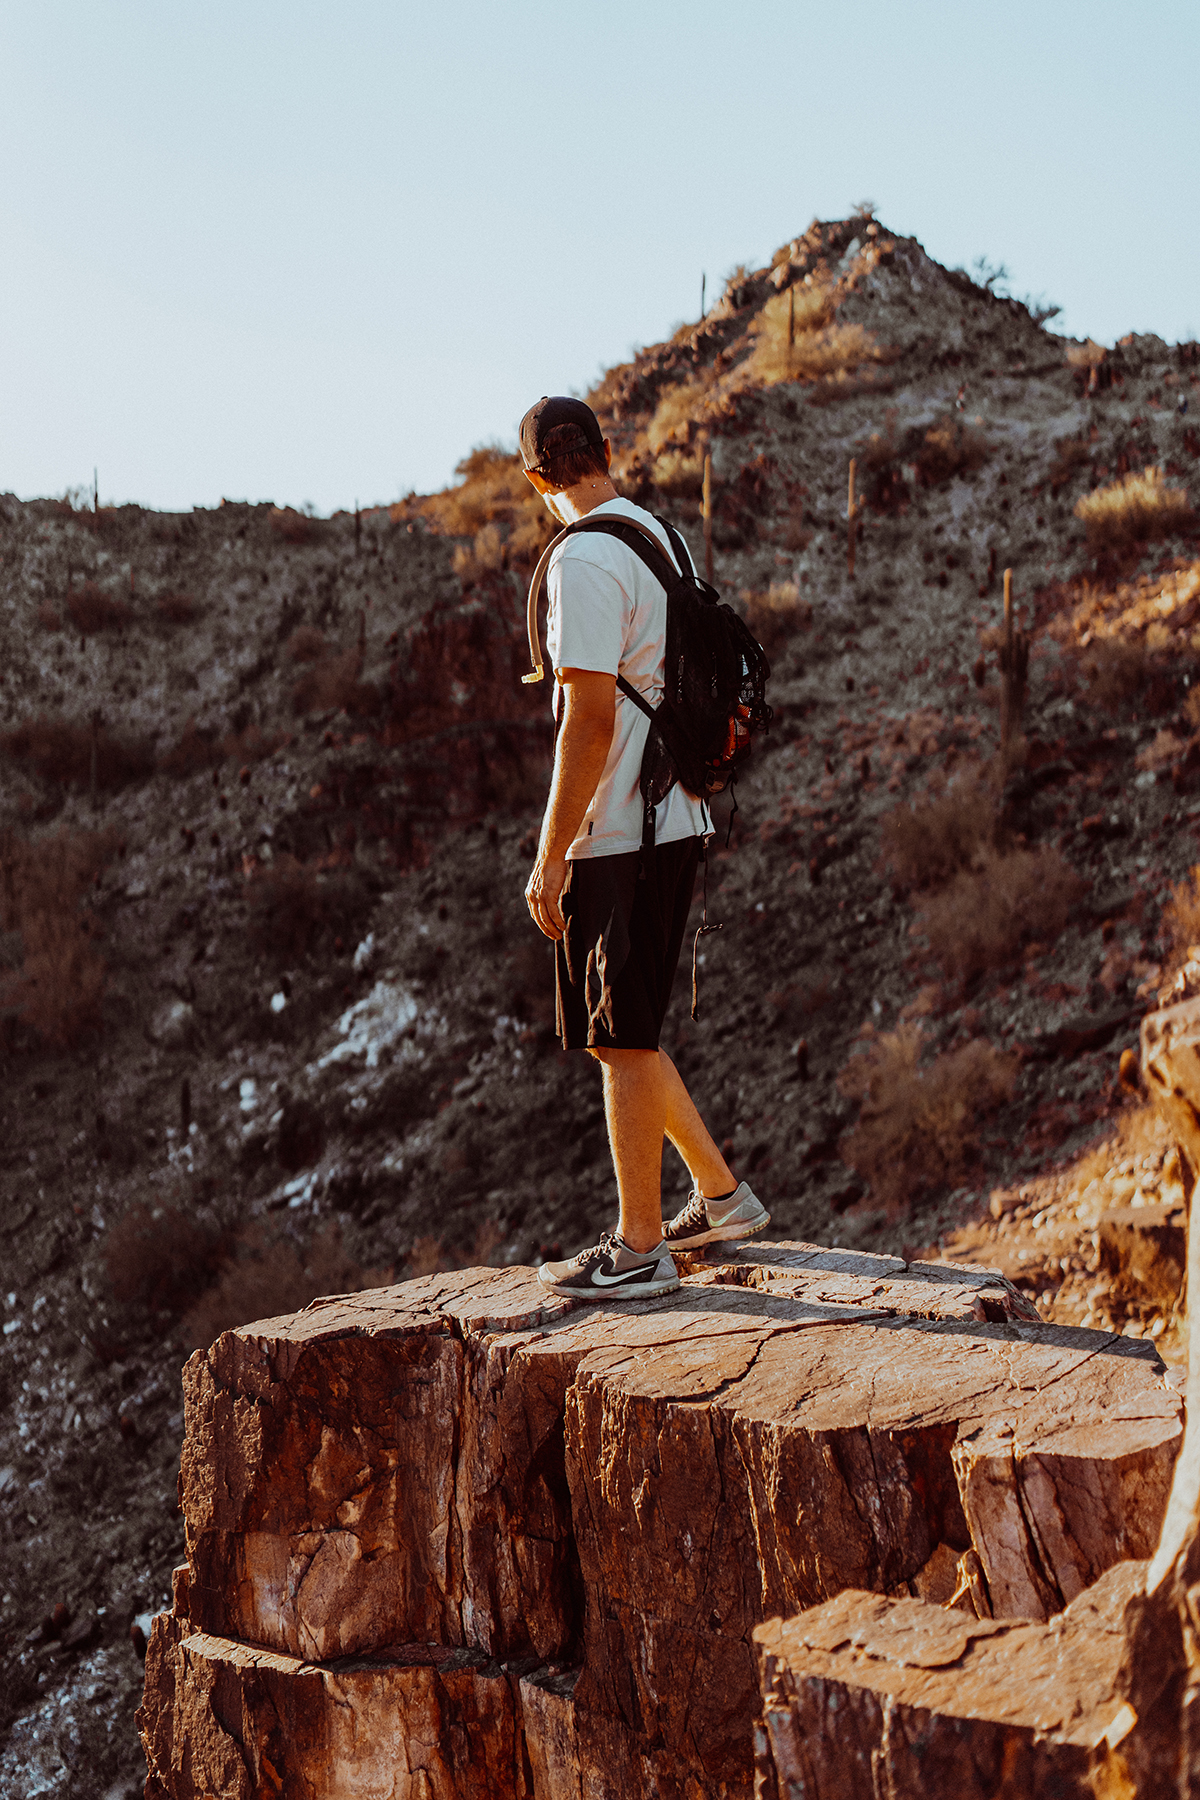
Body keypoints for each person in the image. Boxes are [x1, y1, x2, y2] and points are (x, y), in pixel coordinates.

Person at [519, 395, 769, 1302]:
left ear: (539, 479)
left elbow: (585, 720)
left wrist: (552, 856)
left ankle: (638, 1248)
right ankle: (723, 1197)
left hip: (618, 832)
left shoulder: (582, 557)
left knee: (618, 1038)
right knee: (626, 1032)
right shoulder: (661, 537)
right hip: (678, 816)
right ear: (607, 452)